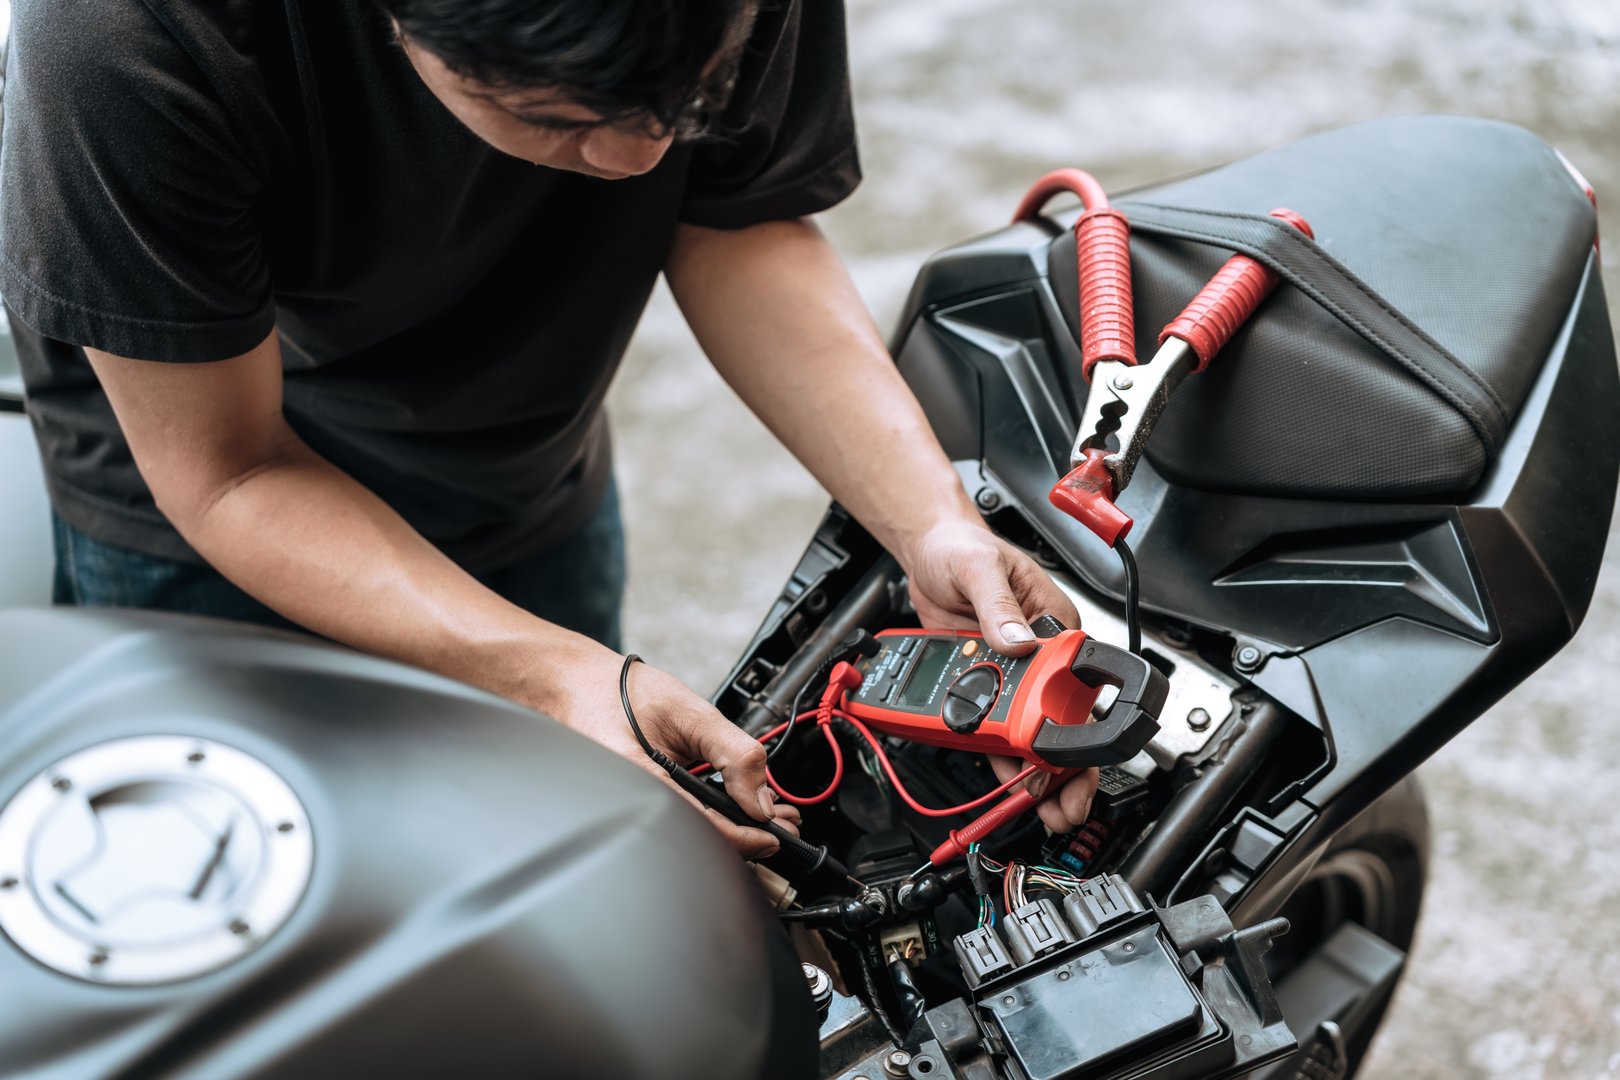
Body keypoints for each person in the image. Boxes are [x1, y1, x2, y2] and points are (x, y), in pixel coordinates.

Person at [0, 0, 1097, 855]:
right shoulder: (124, 43)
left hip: (527, 467)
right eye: (556, 116)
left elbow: (735, 219)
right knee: (285, 921)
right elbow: (226, 474)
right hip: (208, 526)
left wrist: (929, 524)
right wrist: (551, 673)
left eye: (694, 96)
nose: (639, 165)